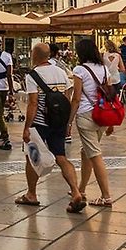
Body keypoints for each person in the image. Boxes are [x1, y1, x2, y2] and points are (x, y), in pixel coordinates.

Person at [12, 42, 83, 212]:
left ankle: (31, 194)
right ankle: (75, 191)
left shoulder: (32, 75)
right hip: (58, 122)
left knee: (31, 156)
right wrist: (67, 122)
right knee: (61, 157)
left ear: (35, 56)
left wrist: (27, 127)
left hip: (40, 123)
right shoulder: (60, 72)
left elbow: (33, 103)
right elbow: (67, 97)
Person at [69, 38, 113, 207]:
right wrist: (110, 122)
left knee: (94, 155)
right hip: (102, 114)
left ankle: (106, 196)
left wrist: (69, 121)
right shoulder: (104, 69)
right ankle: (82, 188)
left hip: (86, 115)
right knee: (86, 151)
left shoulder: (79, 70)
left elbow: (76, 98)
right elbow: (110, 95)